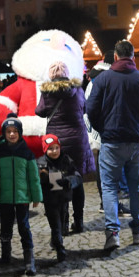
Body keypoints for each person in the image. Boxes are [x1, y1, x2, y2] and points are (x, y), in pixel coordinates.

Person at [86, 40, 139, 252]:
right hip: (137, 141)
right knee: (137, 187)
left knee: (109, 187)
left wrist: (103, 128)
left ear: (116, 57)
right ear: (133, 57)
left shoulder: (103, 80)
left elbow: (90, 109)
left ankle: (113, 233)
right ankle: (138, 232)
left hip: (111, 141)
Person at [35, 61, 95, 234]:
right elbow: (84, 108)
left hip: (56, 142)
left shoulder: (47, 92)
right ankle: (79, 221)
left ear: (51, 74)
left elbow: (40, 111)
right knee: (76, 180)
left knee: (57, 180)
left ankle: (63, 224)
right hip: (77, 139)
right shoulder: (78, 90)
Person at [0, 115, 43, 275]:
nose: (11, 134)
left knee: (24, 226)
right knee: (6, 225)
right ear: (3, 133)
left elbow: (34, 176)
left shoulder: (26, 153)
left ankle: (29, 260)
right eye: (8, 131)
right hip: (5, 198)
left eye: (15, 131)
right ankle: (5, 254)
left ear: (20, 132)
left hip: (22, 198)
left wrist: (36, 196)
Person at [36, 134, 80, 261]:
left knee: (61, 221)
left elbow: (77, 176)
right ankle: (60, 247)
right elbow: (34, 180)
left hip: (64, 198)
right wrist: (42, 180)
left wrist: (68, 181)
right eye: (50, 149)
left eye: (56, 147)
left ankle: (54, 241)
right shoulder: (40, 163)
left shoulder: (66, 160)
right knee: (55, 223)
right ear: (45, 150)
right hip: (50, 199)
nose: (54, 151)